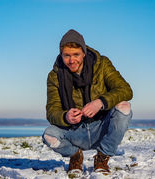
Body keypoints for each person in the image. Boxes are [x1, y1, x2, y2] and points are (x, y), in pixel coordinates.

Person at [42, 29, 133, 175]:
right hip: (75, 131)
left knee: (124, 107)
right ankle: (75, 156)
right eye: (67, 55)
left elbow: (126, 90)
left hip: (101, 127)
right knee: (49, 135)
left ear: (83, 52)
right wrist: (65, 116)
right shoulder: (54, 76)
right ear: (61, 55)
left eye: (76, 54)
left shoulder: (102, 64)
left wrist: (100, 102)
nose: (72, 60)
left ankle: (102, 158)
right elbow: (52, 111)